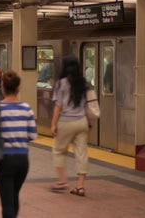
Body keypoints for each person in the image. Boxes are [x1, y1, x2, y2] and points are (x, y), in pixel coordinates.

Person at [0, 70, 37, 218]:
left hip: (4, 160)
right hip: (22, 161)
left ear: (2, 87)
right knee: (14, 196)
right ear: (18, 88)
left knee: (7, 202)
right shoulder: (26, 108)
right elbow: (33, 135)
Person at [51, 55, 89, 196]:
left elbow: (58, 106)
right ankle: (80, 186)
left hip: (66, 122)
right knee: (81, 153)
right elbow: (87, 104)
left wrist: (53, 124)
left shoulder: (61, 84)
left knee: (59, 150)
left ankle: (62, 182)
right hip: (82, 121)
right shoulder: (84, 83)